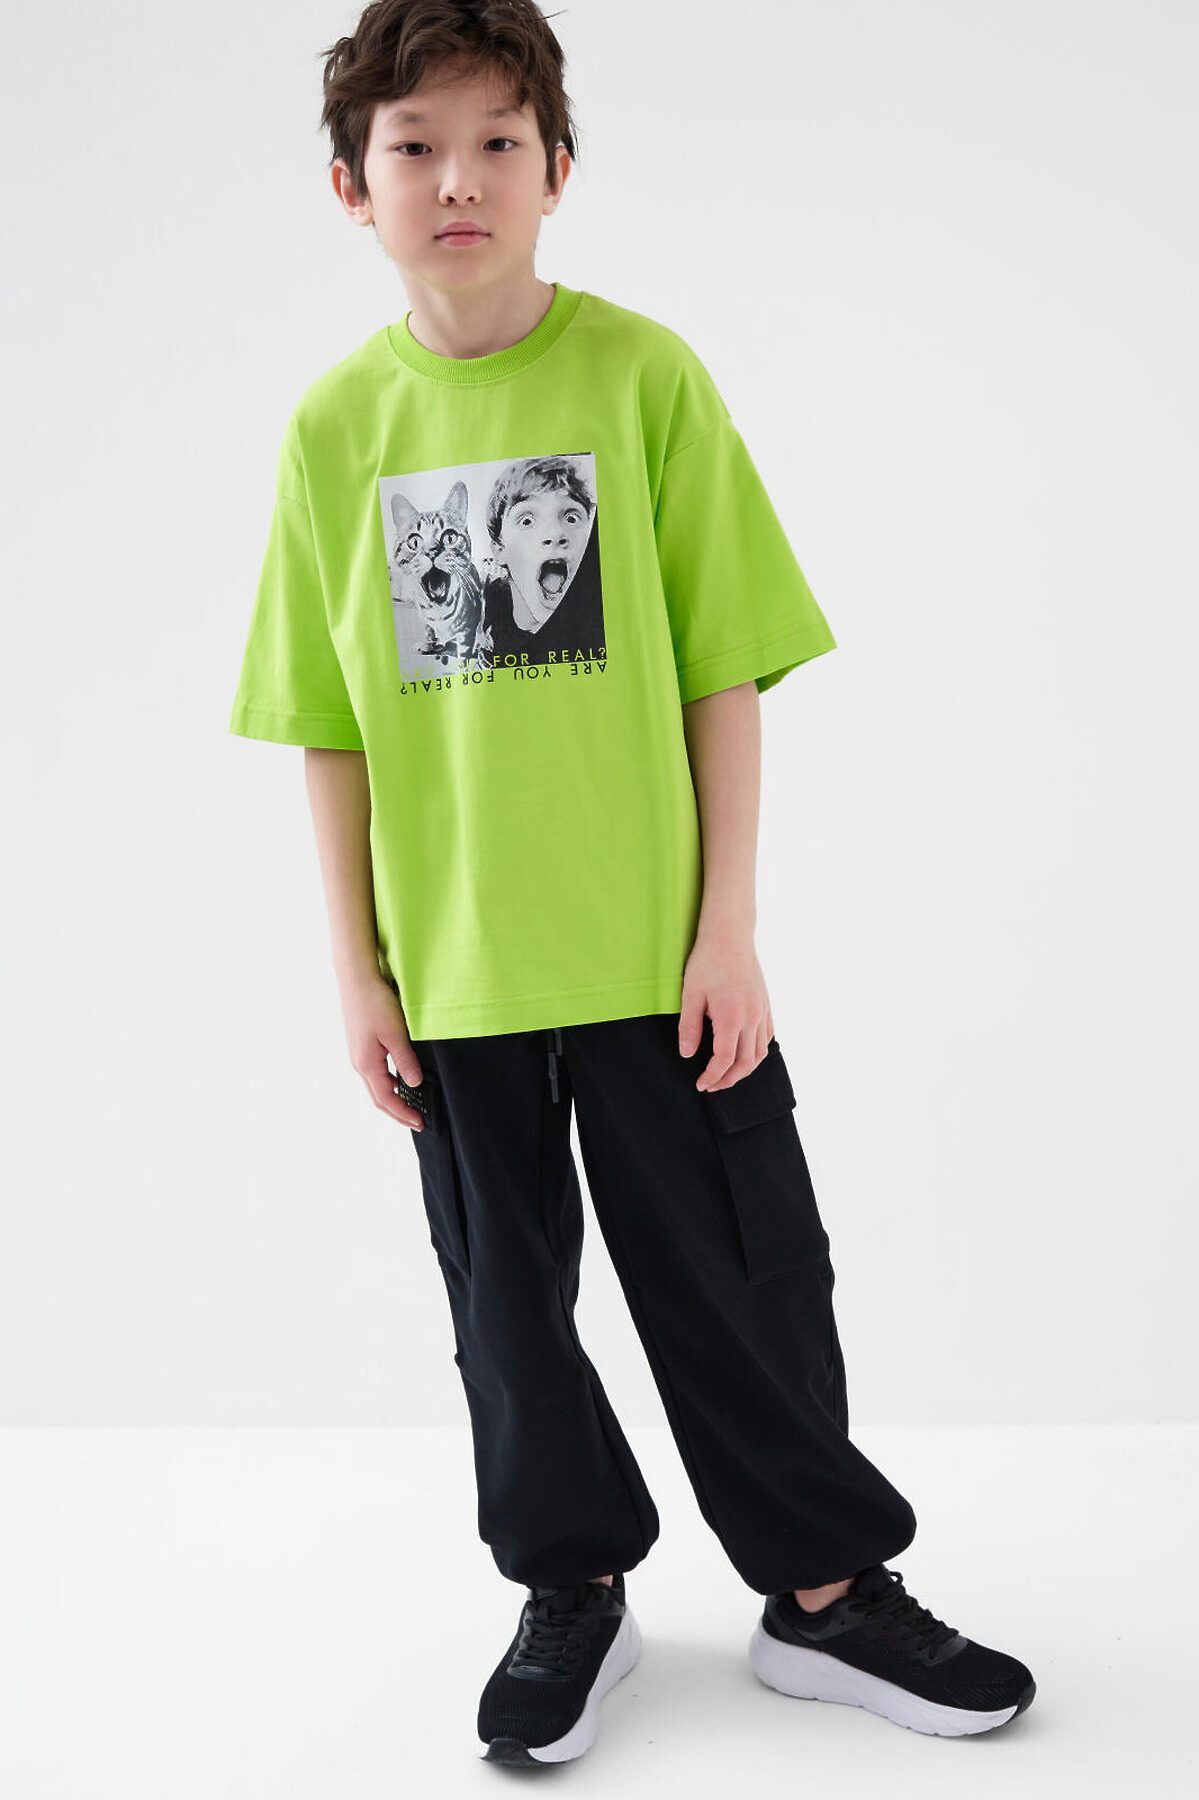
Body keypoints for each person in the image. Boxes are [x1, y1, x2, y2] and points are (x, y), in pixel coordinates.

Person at [227, 0, 1036, 1768]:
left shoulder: (645, 378)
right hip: (457, 972)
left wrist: (728, 925)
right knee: (505, 1313)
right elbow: (327, 726)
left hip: (660, 957)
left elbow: (722, 670)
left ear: (559, 170)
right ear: (352, 187)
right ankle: (572, 1594)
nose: (458, 180)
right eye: (415, 147)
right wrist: (358, 971)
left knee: (745, 1277)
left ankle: (826, 1596)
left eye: (497, 143)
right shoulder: (333, 430)